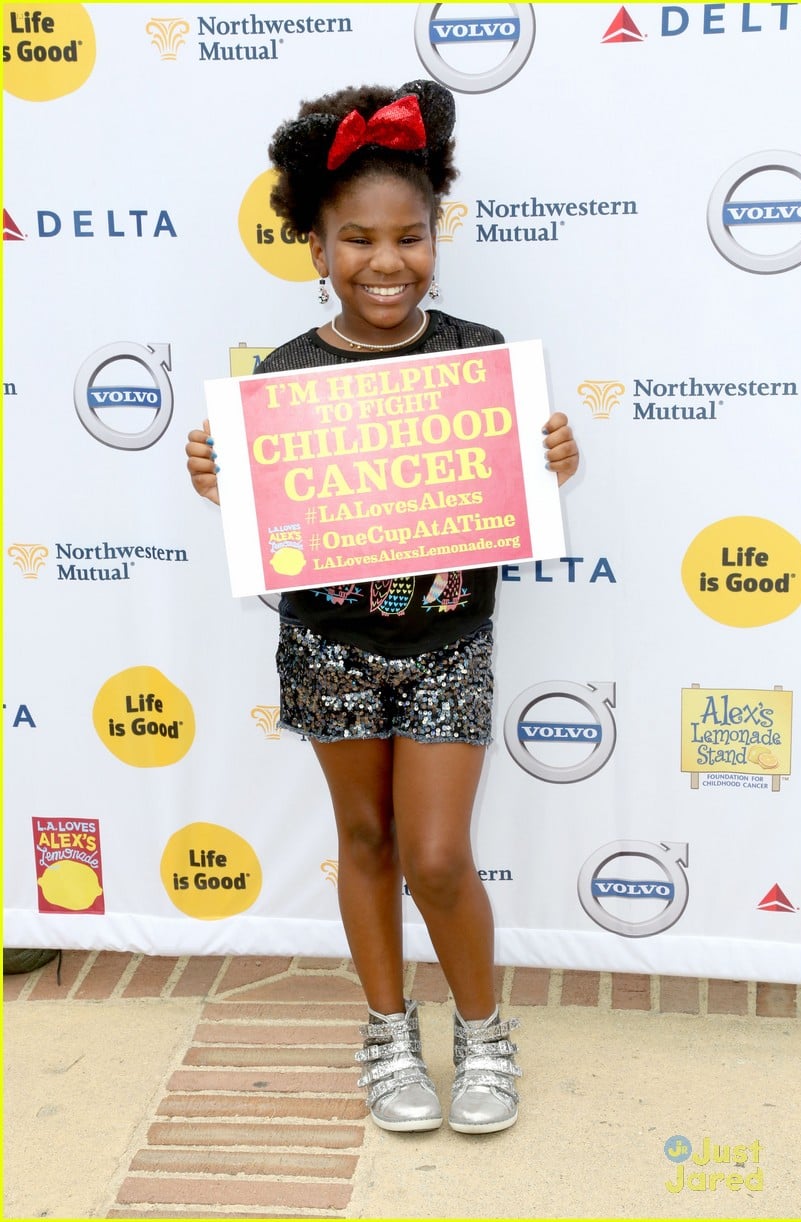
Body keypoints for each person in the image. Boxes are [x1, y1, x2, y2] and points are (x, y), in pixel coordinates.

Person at [186, 79, 579, 1135]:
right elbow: (274, 545)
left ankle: (486, 1030)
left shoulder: (477, 355)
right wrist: (227, 488)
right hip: (329, 645)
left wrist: (553, 458)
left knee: (438, 855)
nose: (384, 260)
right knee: (364, 835)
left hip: (449, 641)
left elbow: (519, 489)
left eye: (407, 236)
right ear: (314, 247)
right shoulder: (283, 377)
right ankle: (386, 1030)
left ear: (435, 238)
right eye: (355, 238)